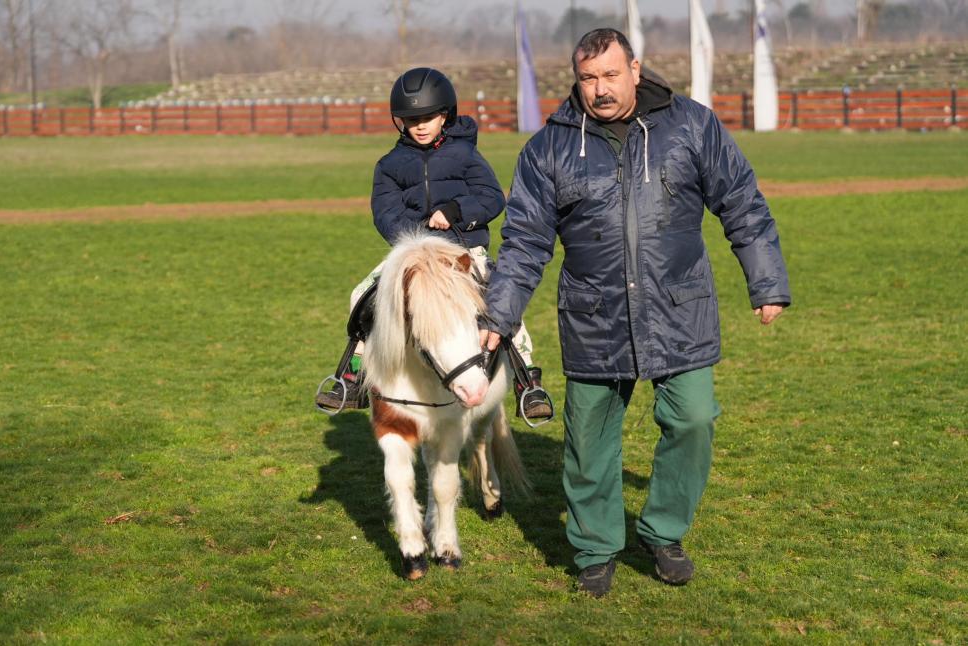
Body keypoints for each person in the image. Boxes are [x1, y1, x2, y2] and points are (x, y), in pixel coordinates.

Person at [481, 29, 791, 597]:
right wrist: (498, 317)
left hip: (680, 308)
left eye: (610, 75)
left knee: (693, 419)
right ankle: (596, 549)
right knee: (589, 441)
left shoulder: (692, 126)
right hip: (594, 315)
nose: (599, 89)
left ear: (636, 69)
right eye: (588, 78)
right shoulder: (548, 149)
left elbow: (741, 202)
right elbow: (524, 242)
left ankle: (664, 533)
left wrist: (766, 281)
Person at [316, 67, 551, 420]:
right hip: (412, 254)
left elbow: (492, 198)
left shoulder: (467, 156)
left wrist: (456, 211)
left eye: (427, 117)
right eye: (411, 120)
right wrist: (417, 238)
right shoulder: (389, 165)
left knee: (501, 296)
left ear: (445, 115)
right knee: (361, 294)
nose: (420, 125)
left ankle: (527, 380)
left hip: (463, 253)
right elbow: (385, 214)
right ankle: (351, 374)